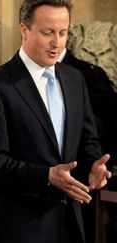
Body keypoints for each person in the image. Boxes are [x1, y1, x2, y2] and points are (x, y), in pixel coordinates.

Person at [0, 1, 112, 243]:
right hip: (17, 227)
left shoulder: (75, 78)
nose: (57, 42)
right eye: (48, 33)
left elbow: (87, 140)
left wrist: (94, 167)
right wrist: (45, 176)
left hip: (70, 224)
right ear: (24, 30)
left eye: (63, 32)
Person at [59, 47, 117, 243]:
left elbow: (107, 127)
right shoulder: (12, 78)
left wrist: (96, 164)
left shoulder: (86, 75)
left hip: (83, 185)